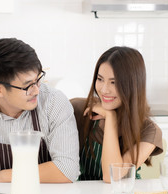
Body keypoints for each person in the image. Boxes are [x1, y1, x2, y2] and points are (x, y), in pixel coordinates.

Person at [0, 38, 80, 183]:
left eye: (38, 79)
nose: (37, 90)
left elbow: (68, 170)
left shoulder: (53, 102)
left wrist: (4, 176)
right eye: (27, 86)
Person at [70, 46, 163, 182]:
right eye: (100, 79)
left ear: (133, 85)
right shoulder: (79, 110)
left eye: (114, 82)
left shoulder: (149, 130)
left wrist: (111, 118)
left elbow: (112, 176)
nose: (104, 89)